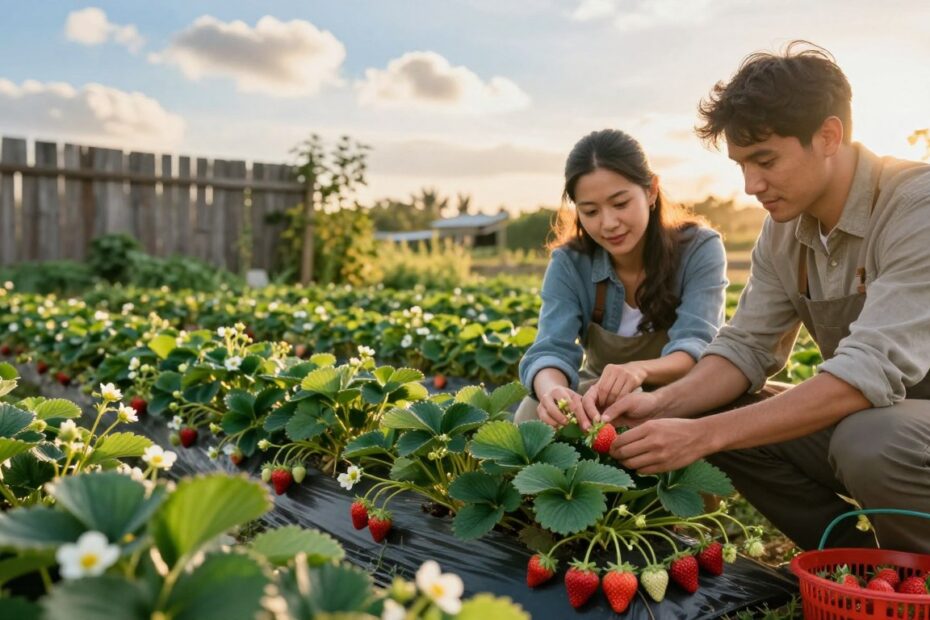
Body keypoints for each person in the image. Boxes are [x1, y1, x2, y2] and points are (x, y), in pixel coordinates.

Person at [599, 42, 930, 554]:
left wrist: (705, 436)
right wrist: (661, 405)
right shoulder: (785, 230)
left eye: (766, 160)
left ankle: (916, 578)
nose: (751, 185)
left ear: (828, 136)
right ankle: (857, 564)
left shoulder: (915, 207)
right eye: (741, 165)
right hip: (889, 417)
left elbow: (869, 369)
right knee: (716, 409)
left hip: (895, 428)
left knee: (868, 440)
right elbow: (746, 347)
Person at [514, 129, 727, 427]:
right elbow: (551, 348)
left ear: (651, 190)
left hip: (682, 393)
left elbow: (696, 342)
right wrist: (552, 391)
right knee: (531, 411)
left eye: (620, 204)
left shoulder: (698, 249)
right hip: (602, 396)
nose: (609, 223)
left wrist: (638, 370)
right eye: (591, 211)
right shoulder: (569, 263)